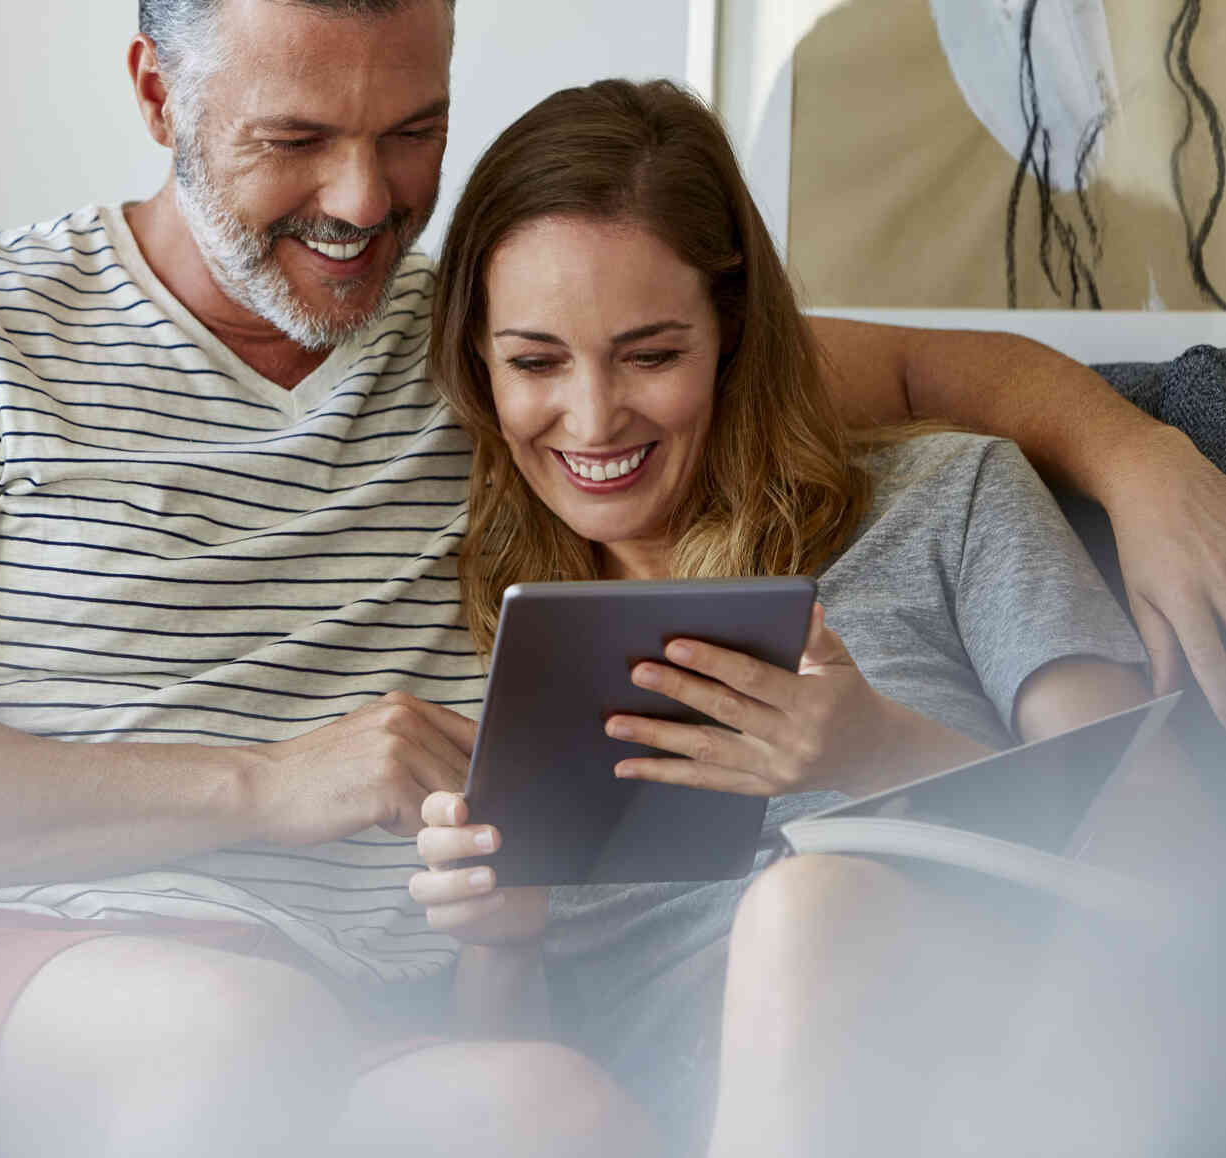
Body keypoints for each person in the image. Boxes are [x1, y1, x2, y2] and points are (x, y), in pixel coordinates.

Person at [0, 0, 1226, 1158]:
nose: (362, 201)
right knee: (230, 1039)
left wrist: (1137, 452)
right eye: (294, 139)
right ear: (154, 90)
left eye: (412, 133)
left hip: (356, 1017)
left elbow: (868, 373)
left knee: (544, 1108)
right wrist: (265, 783)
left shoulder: (491, 344)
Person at [412, 75, 1223, 1155]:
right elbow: (508, 1057)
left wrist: (882, 750)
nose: (594, 416)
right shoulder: (469, 620)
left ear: (734, 331)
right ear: (480, 362)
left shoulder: (949, 499)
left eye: (652, 354)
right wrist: (500, 945)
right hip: (638, 1117)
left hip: (973, 1067)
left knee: (812, 908)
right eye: (535, 362)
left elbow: (1158, 846)